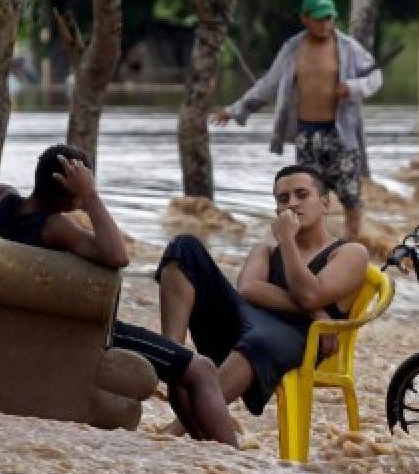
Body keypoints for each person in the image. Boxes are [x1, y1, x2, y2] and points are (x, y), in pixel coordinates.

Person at [0, 145, 238, 447]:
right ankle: (234, 459)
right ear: (69, 188)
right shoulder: (53, 228)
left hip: (38, 328)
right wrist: (90, 196)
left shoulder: (1, 199)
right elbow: (117, 255)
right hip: (84, 333)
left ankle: (203, 449)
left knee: (179, 363)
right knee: (201, 368)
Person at [156, 164, 367, 426]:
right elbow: (248, 288)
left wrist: (288, 241)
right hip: (243, 326)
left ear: (325, 204)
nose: (292, 204)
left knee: (260, 340)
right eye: (283, 199)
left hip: (300, 340)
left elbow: (311, 293)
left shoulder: (349, 253)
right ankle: (171, 360)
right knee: (184, 248)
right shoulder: (265, 251)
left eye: (302, 195)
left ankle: (183, 426)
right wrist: (313, 311)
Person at [213, 0, 381, 240]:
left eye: (329, 19)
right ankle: (312, 250)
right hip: (306, 135)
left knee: (351, 198)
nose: (325, 24)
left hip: (341, 135)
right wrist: (235, 110)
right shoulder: (292, 49)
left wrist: (354, 88)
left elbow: (375, 76)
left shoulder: (348, 47)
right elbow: (268, 84)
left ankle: (353, 249)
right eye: (319, 19)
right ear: (305, 19)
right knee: (306, 197)